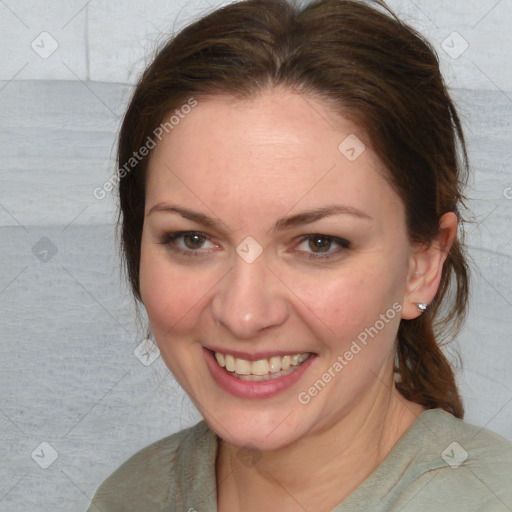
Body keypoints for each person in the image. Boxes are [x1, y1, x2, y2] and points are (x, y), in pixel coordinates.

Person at [86, 0, 512, 510]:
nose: (244, 314)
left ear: (421, 265)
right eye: (192, 239)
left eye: (319, 243)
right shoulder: (129, 497)